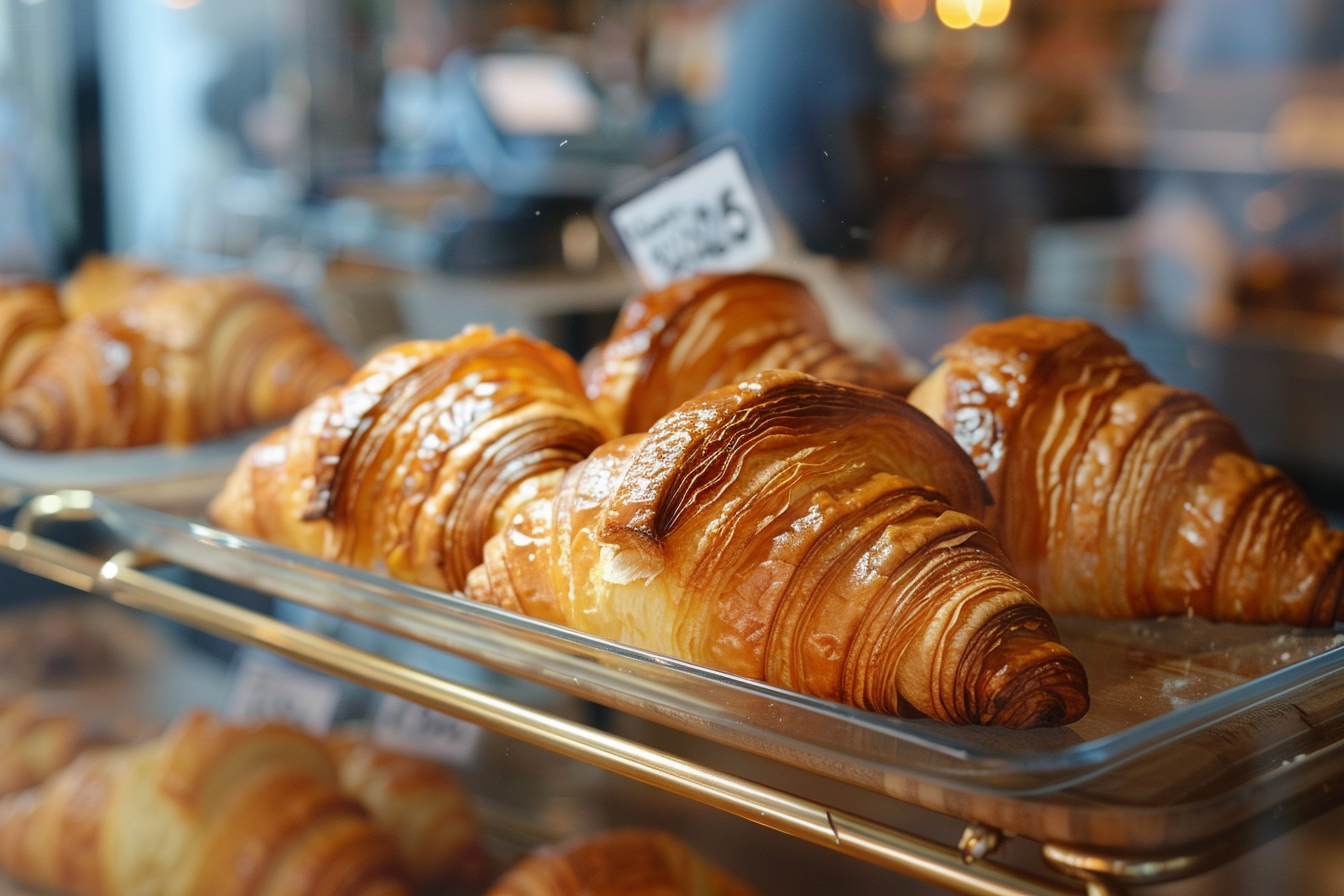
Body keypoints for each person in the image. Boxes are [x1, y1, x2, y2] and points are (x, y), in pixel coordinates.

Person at [704, 0, 888, 257]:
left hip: (746, 220)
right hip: (811, 235)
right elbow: (864, 170)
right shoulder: (837, 14)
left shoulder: (755, 11)